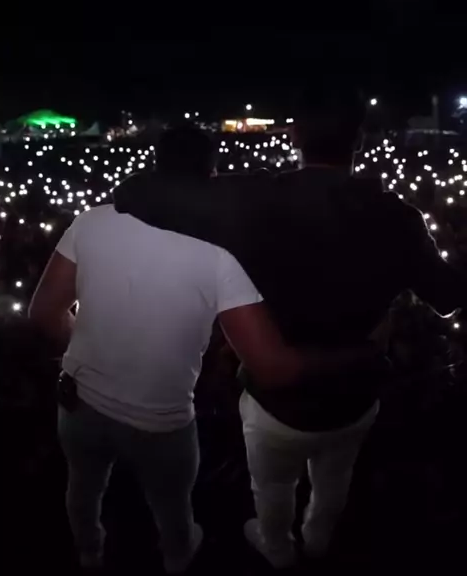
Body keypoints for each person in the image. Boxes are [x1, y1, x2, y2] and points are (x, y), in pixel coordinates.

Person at [114, 91, 467, 568]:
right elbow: (448, 297)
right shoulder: (397, 216)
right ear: (359, 139)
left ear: (295, 135)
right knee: (335, 477)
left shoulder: (251, 199)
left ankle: (278, 547)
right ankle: (319, 543)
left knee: (272, 484)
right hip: (355, 393)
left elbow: (135, 198)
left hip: (274, 400)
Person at [29, 124, 377, 573]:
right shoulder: (218, 254)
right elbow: (271, 367)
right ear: (212, 174)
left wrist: (91, 352)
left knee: (82, 486)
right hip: (160, 422)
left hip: (78, 402)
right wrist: (359, 355)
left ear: (156, 162)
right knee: (172, 509)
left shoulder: (91, 221)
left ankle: (88, 553)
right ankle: (178, 557)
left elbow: (44, 313)